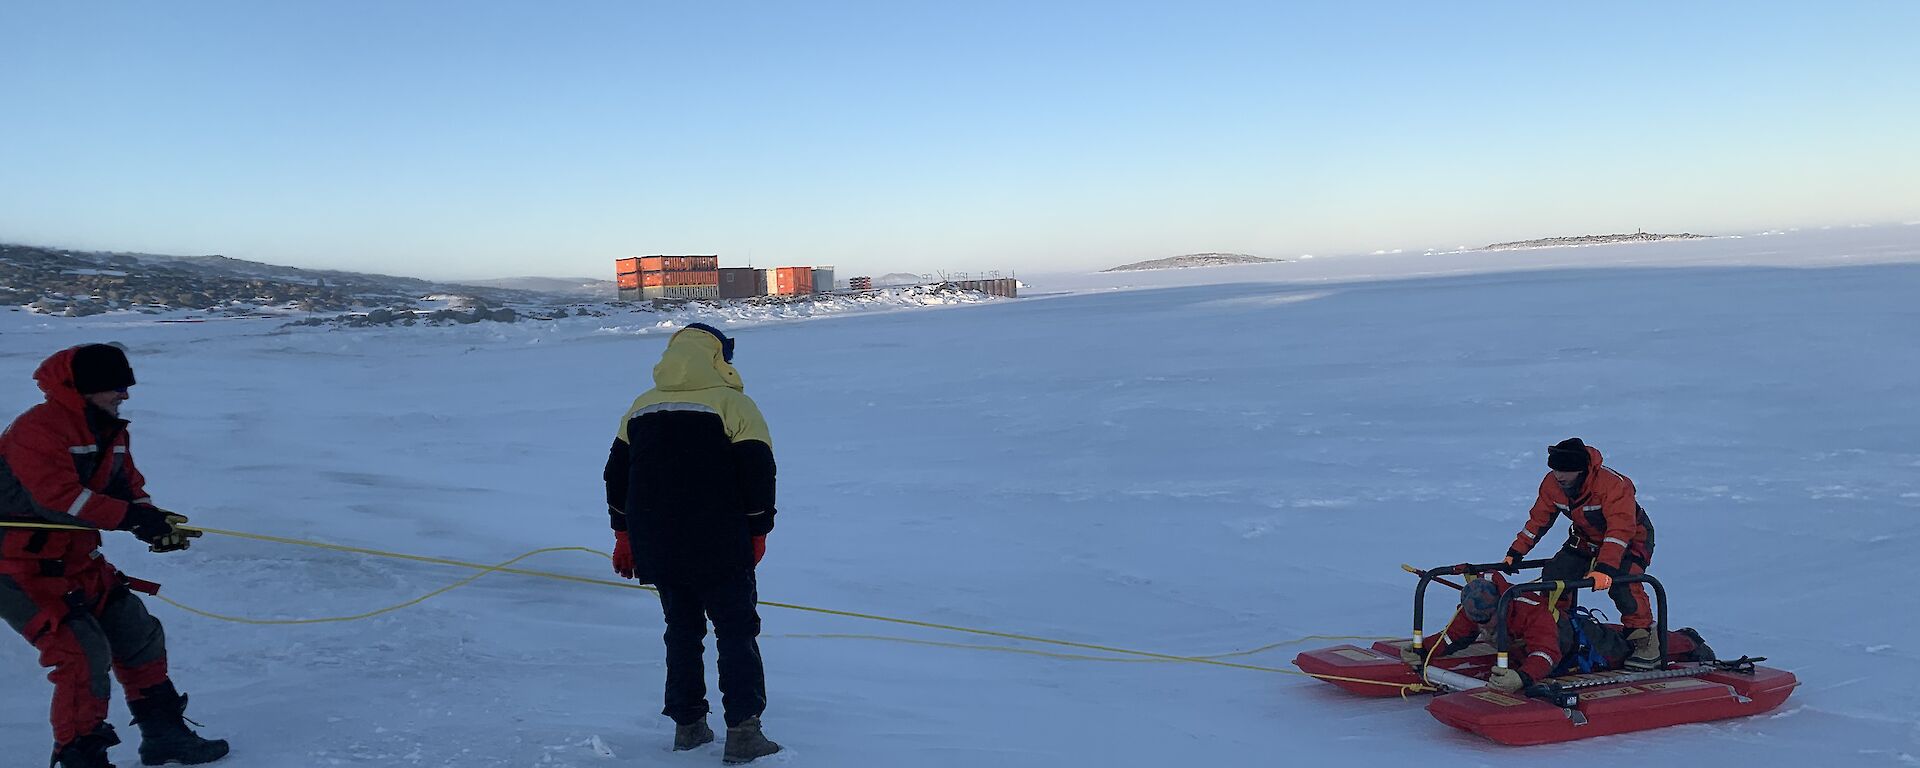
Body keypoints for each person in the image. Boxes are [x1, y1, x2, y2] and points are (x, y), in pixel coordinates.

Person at [0, 344, 228, 767]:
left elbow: (125, 487)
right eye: (115, 387)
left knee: (137, 632)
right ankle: (80, 757)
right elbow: (58, 500)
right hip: (20, 569)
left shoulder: (109, 430)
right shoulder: (37, 429)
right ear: (82, 389)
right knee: (81, 655)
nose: (124, 395)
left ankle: (164, 737)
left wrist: (152, 520)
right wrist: (131, 519)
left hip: (77, 563)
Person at [602, 323, 781, 764]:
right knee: (736, 632)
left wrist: (624, 534)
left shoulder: (639, 409)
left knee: (682, 631)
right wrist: (758, 531)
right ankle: (743, 733)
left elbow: (616, 478)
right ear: (718, 359)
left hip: (658, 544)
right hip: (721, 542)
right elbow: (758, 475)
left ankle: (689, 728)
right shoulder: (733, 405)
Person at [1499, 438, 1660, 670]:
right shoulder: (1552, 485)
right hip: (1585, 540)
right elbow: (1538, 521)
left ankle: (1643, 638)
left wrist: (1605, 568)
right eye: (1555, 470)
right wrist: (1516, 551)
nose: (1560, 476)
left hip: (1631, 539)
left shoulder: (1614, 485)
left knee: (1624, 582)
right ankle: (1557, 629)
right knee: (1556, 574)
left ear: (1582, 469)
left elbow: (1619, 531)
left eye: (1566, 471)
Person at [1401, 573, 1630, 692]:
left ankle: (1644, 641)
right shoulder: (1477, 604)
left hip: (1577, 642)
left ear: (1499, 608)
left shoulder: (1530, 611)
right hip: (1529, 649)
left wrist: (1522, 677)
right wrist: (1424, 649)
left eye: (1485, 621)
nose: (1481, 626)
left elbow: (1546, 653)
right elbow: (1454, 635)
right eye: (1476, 621)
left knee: (1621, 651)